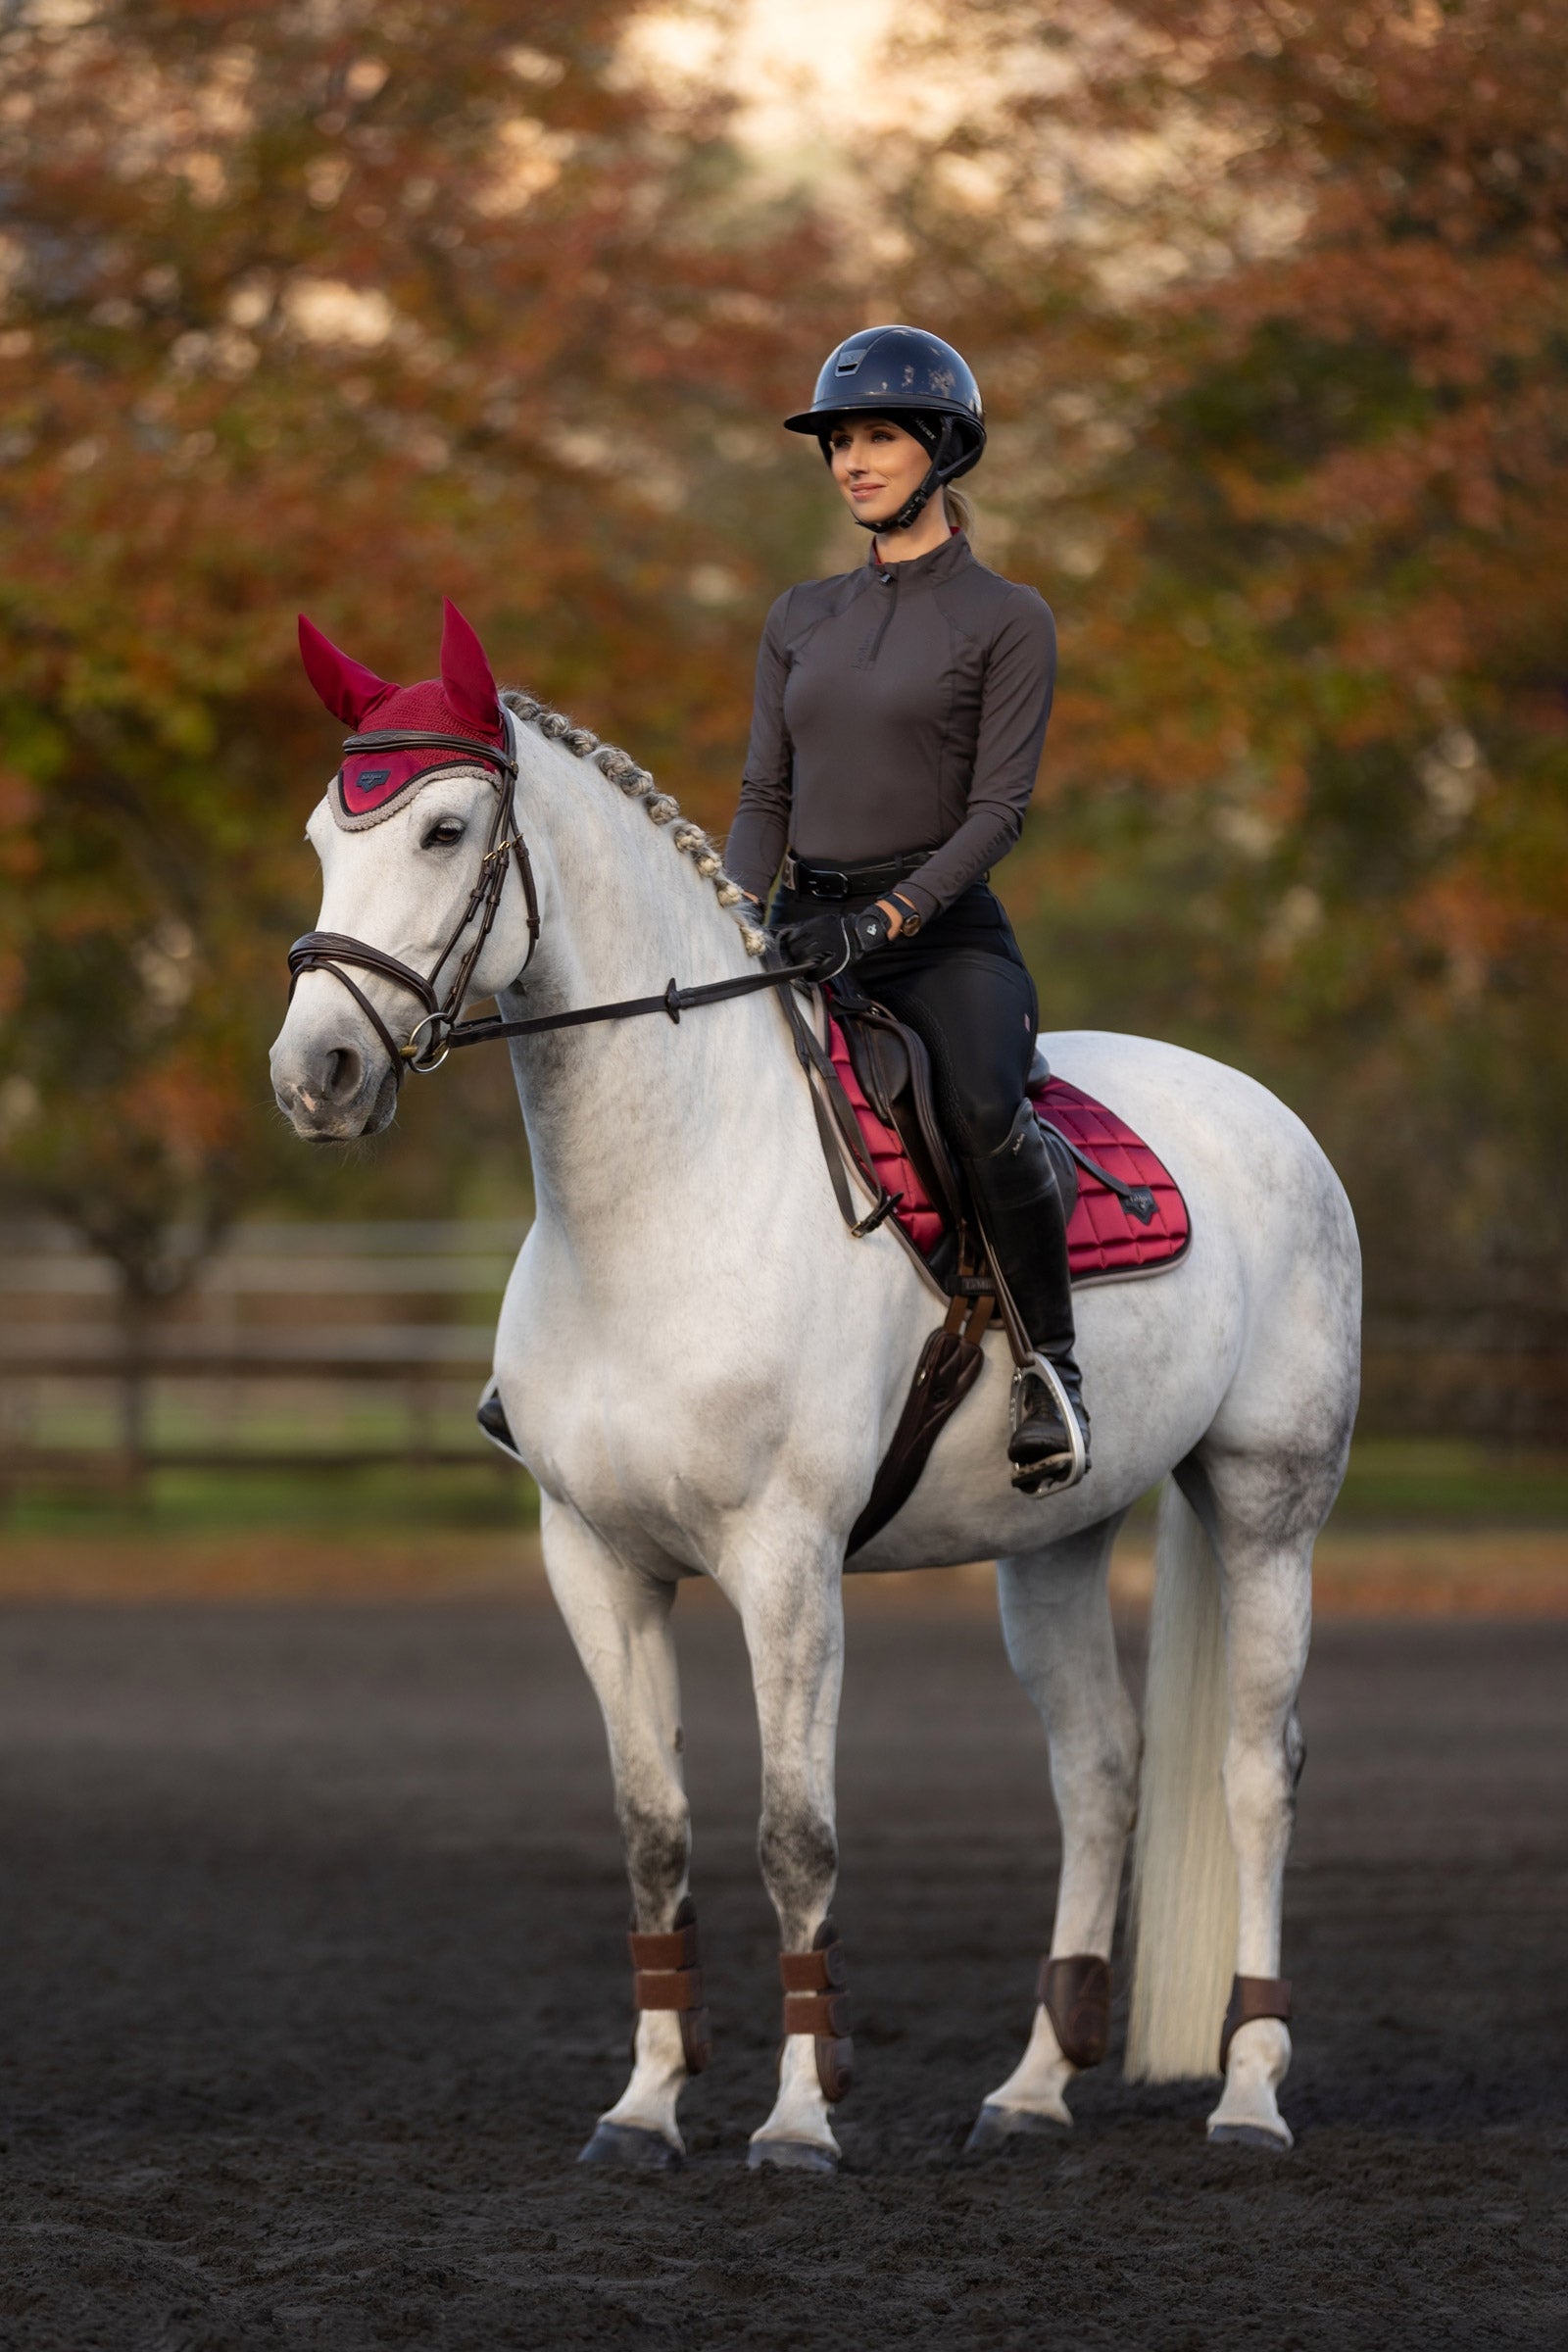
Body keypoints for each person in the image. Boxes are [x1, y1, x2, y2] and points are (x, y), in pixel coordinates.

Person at [724, 323, 1090, 1489]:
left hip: (938, 942)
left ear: (940, 448)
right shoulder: (798, 617)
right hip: (799, 929)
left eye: (877, 436)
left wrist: (883, 924)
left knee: (984, 1108)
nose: (851, 461)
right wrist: (736, 918)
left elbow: (997, 813)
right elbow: (763, 794)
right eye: (838, 442)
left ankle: (1050, 1370)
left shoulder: (1006, 618)